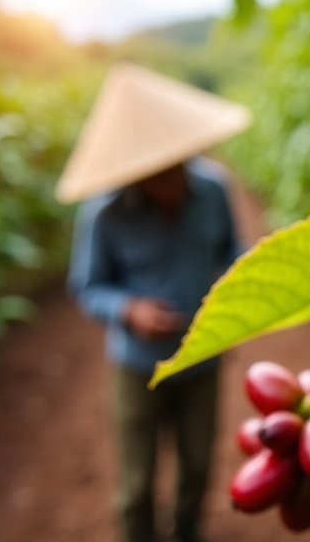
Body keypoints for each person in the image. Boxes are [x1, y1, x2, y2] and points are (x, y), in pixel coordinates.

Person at [55, 62, 252, 542]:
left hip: (200, 360)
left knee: (197, 467)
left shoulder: (213, 190)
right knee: (136, 484)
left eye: (174, 166)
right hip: (135, 366)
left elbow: (235, 254)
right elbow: (86, 285)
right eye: (153, 173)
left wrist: (234, 300)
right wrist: (129, 310)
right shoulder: (103, 213)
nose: (167, 180)